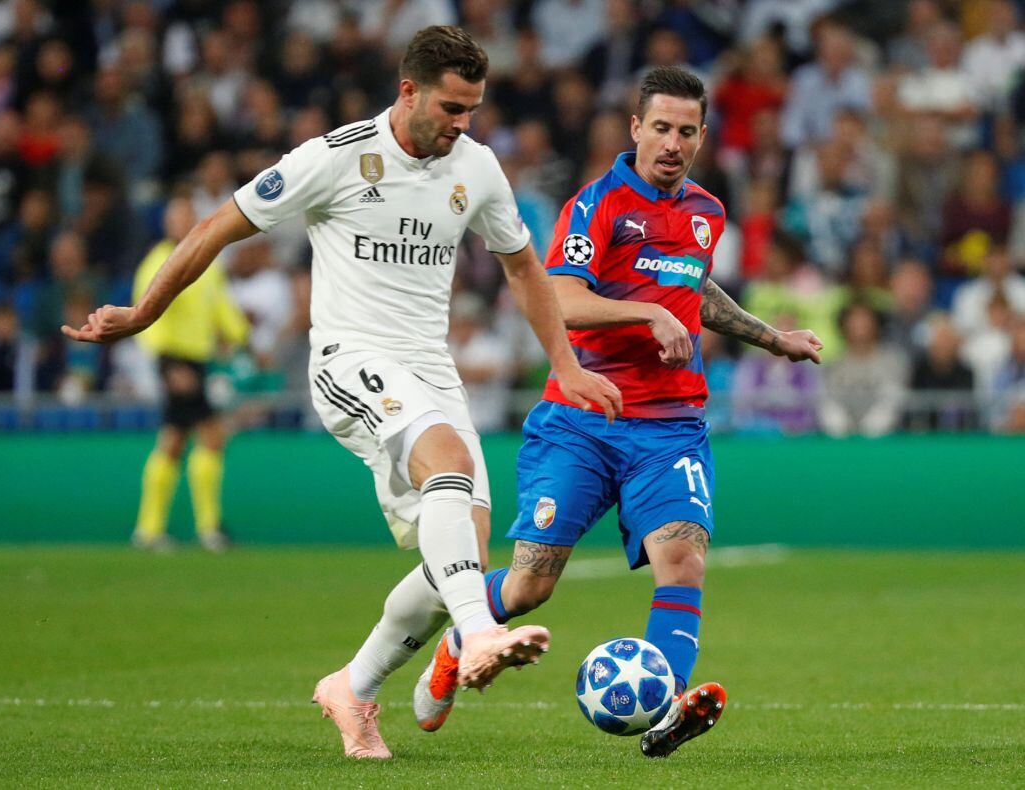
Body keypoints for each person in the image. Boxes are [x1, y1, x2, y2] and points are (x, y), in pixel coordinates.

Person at [61, 26, 620, 759]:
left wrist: (566, 363)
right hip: (348, 358)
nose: (464, 124)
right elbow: (214, 229)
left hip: (429, 370)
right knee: (448, 470)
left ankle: (353, 688)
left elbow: (522, 269)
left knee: (459, 550)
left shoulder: (477, 168)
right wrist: (143, 314)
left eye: (474, 109)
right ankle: (478, 636)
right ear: (409, 89)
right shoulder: (334, 157)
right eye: (452, 108)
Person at [413, 66, 823, 759]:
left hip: (672, 426)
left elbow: (697, 288)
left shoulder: (706, 211)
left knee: (684, 559)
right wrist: (647, 312)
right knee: (531, 583)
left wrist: (771, 337)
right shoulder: (596, 205)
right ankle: (460, 637)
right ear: (635, 128)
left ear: (700, 136)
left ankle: (664, 711)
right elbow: (559, 296)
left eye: (686, 131)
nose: (672, 142)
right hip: (582, 418)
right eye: (660, 127)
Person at [130, 196, 250, 553]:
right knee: (209, 436)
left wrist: (242, 337)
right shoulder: (157, 261)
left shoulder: (205, 261)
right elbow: (143, 312)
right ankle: (208, 528)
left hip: (198, 361)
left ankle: (150, 530)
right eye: (178, 216)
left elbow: (220, 306)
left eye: (189, 215)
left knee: (175, 441)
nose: (184, 222)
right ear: (167, 223)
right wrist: (166, 365)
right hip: (177, 362)